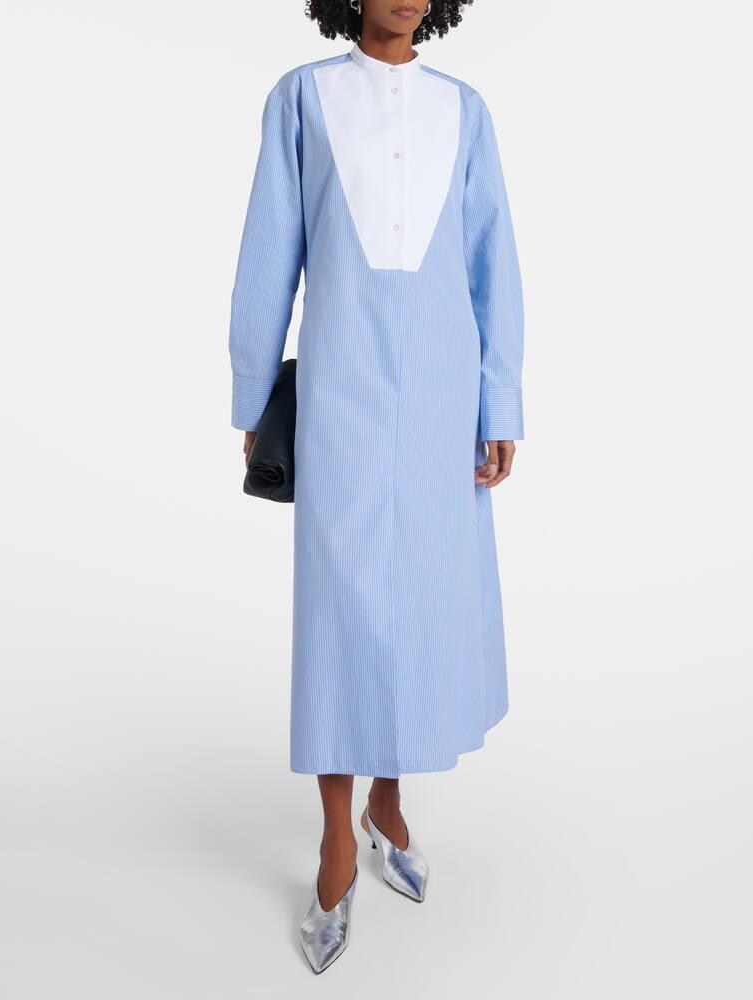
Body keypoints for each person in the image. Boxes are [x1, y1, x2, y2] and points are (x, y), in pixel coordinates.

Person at [229, 0, 524, 973]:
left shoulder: (464, 110)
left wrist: (499, 402)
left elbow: (492, 264)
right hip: (342, 387)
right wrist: (252, 394)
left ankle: (389, 801)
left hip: (443, 394)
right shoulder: (302, 100)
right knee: (342, 610)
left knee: (424, 604)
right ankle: (335, 838)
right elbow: (270, 250)